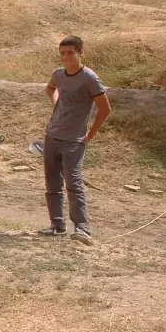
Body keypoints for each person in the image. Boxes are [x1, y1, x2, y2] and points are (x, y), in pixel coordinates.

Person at [41, 35, 111, 246]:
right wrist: (56, 102)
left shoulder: (89, 78)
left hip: (73, 140)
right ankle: (57, 225)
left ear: (80, 53)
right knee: (52, 183)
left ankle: (82, 229)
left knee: (74, 184)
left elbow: (105, 109)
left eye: (71, 52)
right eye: (63, 53)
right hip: (52, 136)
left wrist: (90, 135)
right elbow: (50, 88)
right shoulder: (58, 74)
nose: (66, 57)